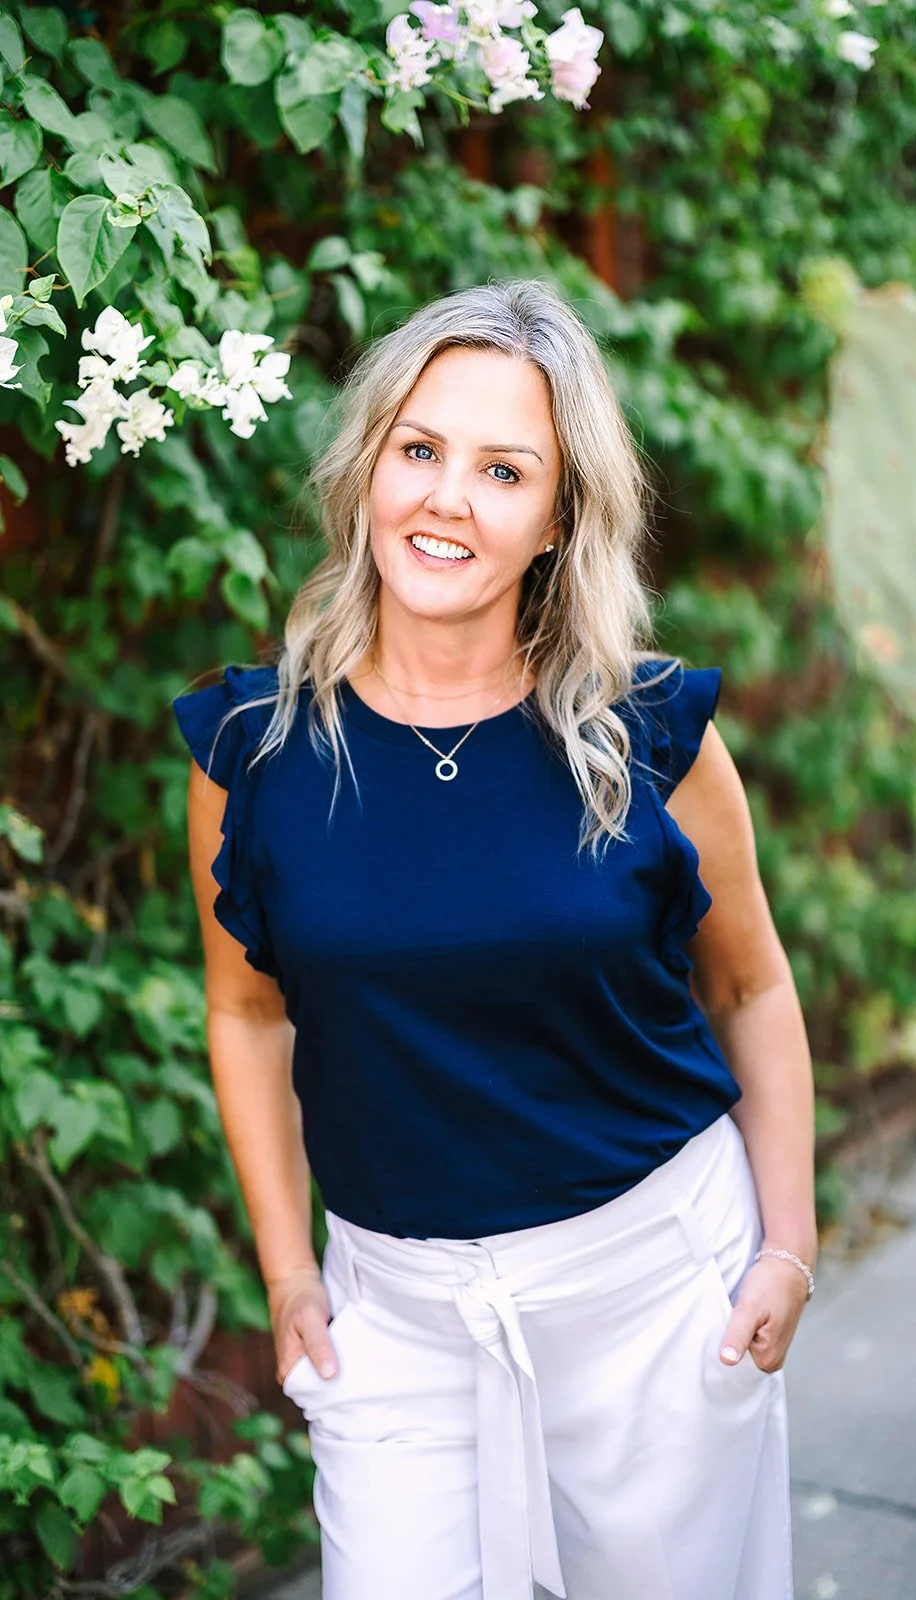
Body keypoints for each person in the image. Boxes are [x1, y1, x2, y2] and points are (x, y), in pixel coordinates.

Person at [173, 278, 816, 1600]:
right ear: (367, 472)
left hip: (648, 1291)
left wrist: (788, 1243)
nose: (446, 500)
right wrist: (289, 1270)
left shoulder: (648, 738)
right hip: (395, 1318)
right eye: (419, 450)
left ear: (557, 518)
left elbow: (749, 984)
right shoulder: (254, 750)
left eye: (502, 469)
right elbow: (245, 1012)